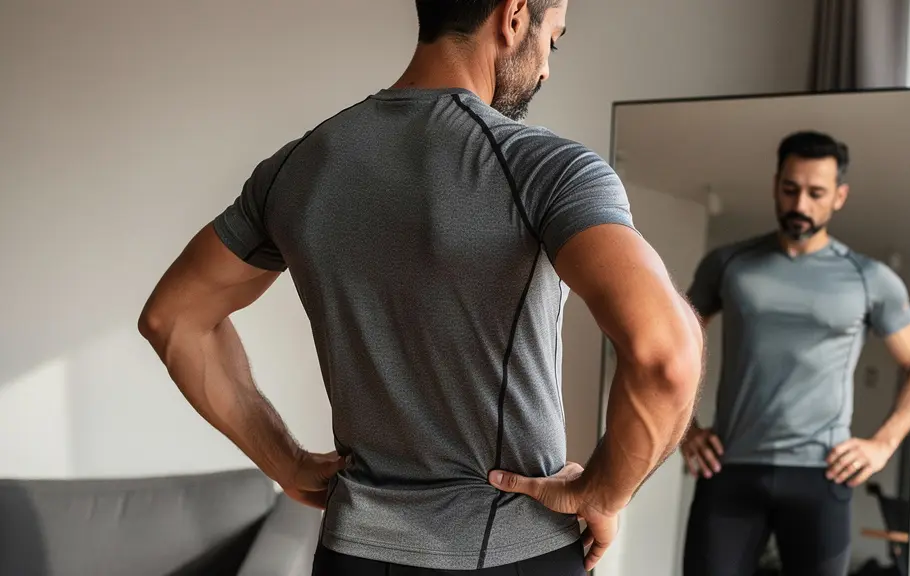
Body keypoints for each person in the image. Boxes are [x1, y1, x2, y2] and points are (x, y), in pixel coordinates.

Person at [137, 1, 704, 575]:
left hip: (353, 554)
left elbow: (173, 320)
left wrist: (284, 462)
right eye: (551, 42)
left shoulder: (297, 168)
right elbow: (666, 357)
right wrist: (605, 493)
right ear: (513, 17)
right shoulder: (542, 167)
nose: (546, 70)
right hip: (513, 550)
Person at [679, 131, 910, 576]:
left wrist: (882, 446)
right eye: (790, 189)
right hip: (731, 470)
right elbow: (672, 345)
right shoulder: (729, 264)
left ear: (839, 196)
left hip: (822, 475)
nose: (800, 205)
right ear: (775, 184)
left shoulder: (870, 278)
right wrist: (684, 429)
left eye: (816, 193)